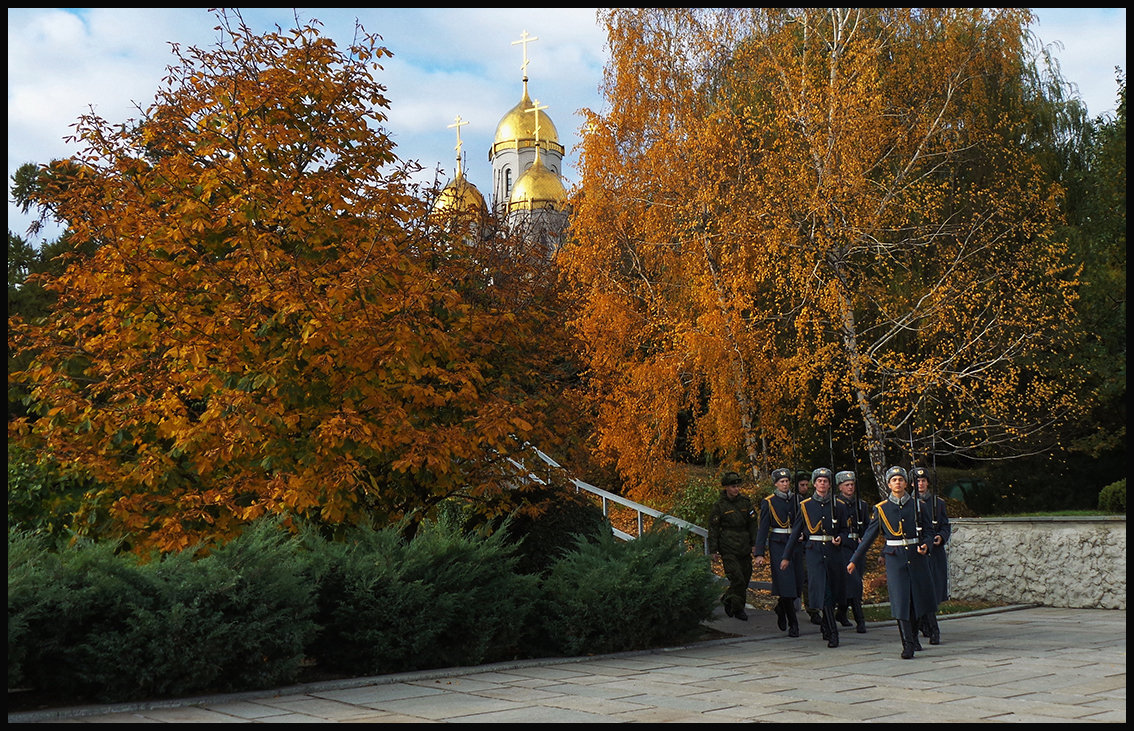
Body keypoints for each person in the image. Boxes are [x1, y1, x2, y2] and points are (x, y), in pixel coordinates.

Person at [847, 466, 939, 659]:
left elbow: (929, 531)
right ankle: (907, 643)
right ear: (888, 484)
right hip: (895, 559)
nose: (898, 483)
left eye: (901, 479)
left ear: (906, 483)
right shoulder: (881, 509)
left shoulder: (919, 505)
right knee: (901, 601)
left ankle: (913, 637)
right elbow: (869, 537)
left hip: (916, 556)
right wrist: (855, 559)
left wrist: (927, 545)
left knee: (917, 600)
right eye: (894, 480)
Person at [782, 467, 848, 647]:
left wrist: (840, 538)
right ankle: (833, 633)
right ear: (814, 483)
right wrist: (786, 556)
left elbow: (844, 529)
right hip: (814, 552)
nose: (822, 484)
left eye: (826, 481)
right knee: (823, 590)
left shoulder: (838, 506)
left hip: (833, 553)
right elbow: (796, 532)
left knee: (833, 591)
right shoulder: (805, 506)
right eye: (819, 481)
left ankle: (826, 625)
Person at [754, 468, 803, 636]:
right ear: (775, 484)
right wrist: (759, 552)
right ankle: (793, 624)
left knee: (796, 585)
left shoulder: (798, 500)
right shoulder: (769, 502)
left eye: (787, 481)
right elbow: (763, 529)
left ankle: (780, 607)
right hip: (778, 545)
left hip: (796, 545)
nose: (785, 484)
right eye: (781, 482)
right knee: (786, 583)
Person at [708, 471, 758, 621]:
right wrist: (713, 550)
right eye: (733, 486)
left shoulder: (745, 502)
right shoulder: (719, 506)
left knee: (746, 576)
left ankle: (728, 598)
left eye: (737, 486)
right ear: (726, 488)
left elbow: (753, 524)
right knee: (737, 579)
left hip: (744, 545)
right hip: (728, 547)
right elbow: (713, 528)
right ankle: (738, 608)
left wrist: (755, 544)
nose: (736, 489)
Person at [912, 466, 950, 644]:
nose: (920, 484)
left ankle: (927, 625)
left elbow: (945, 526)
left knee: (932, 591)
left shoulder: (938, 503)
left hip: (934, 553)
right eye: (917, 481)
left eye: (923, 481)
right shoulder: (908, 503)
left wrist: (940, 537)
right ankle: (930, 628)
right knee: (921, 591)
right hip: (916, 552)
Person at [835, 470, 870, 633]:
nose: (850, 487)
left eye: (852, 484)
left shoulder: (861, 505)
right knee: (854, 583)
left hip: (858, 548)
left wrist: (864, 538)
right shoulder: (835, 504)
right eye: (846, 485)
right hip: (843, 548)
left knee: (853, 583)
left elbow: (867, 527)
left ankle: (841, 612)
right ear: (840, 487)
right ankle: (860, 620)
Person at [792, 470, 821, 626]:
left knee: (808, 577)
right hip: (791, 544)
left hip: (807, 544)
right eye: (801, 485)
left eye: (806, 484)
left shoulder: (810, 501)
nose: (805, 487)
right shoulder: (792, 501)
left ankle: (813, 610)